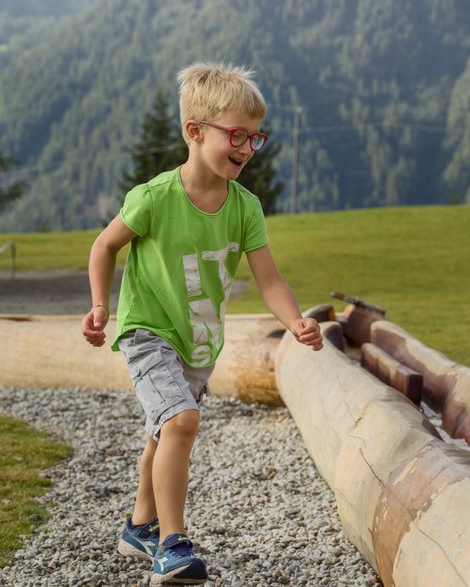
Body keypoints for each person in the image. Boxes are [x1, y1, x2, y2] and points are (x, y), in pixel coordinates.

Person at [82, 62, 323, 585]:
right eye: (236, 135)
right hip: (147, 331)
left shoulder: (245, 208)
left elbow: (270, 280)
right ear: (195, 132)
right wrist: (101, 307)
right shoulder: (155, 198)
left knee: (162, 431)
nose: (246, 147)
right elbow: (103, 246)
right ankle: (172, 544)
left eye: (255, 138)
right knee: (182, 423)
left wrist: (297, 320)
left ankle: (138, 526)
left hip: (198, 343)